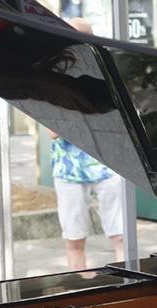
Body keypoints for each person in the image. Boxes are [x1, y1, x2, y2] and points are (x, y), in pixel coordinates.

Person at [53, 18, 126, 270]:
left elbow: (118, 118)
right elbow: (52, 130)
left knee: (120, 235)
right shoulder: (54, 73)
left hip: (108, 165)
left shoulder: (105, 71)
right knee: (74, 238)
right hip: (69, 170)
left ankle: (126, 286)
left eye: (85, 37)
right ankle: (79, 291)